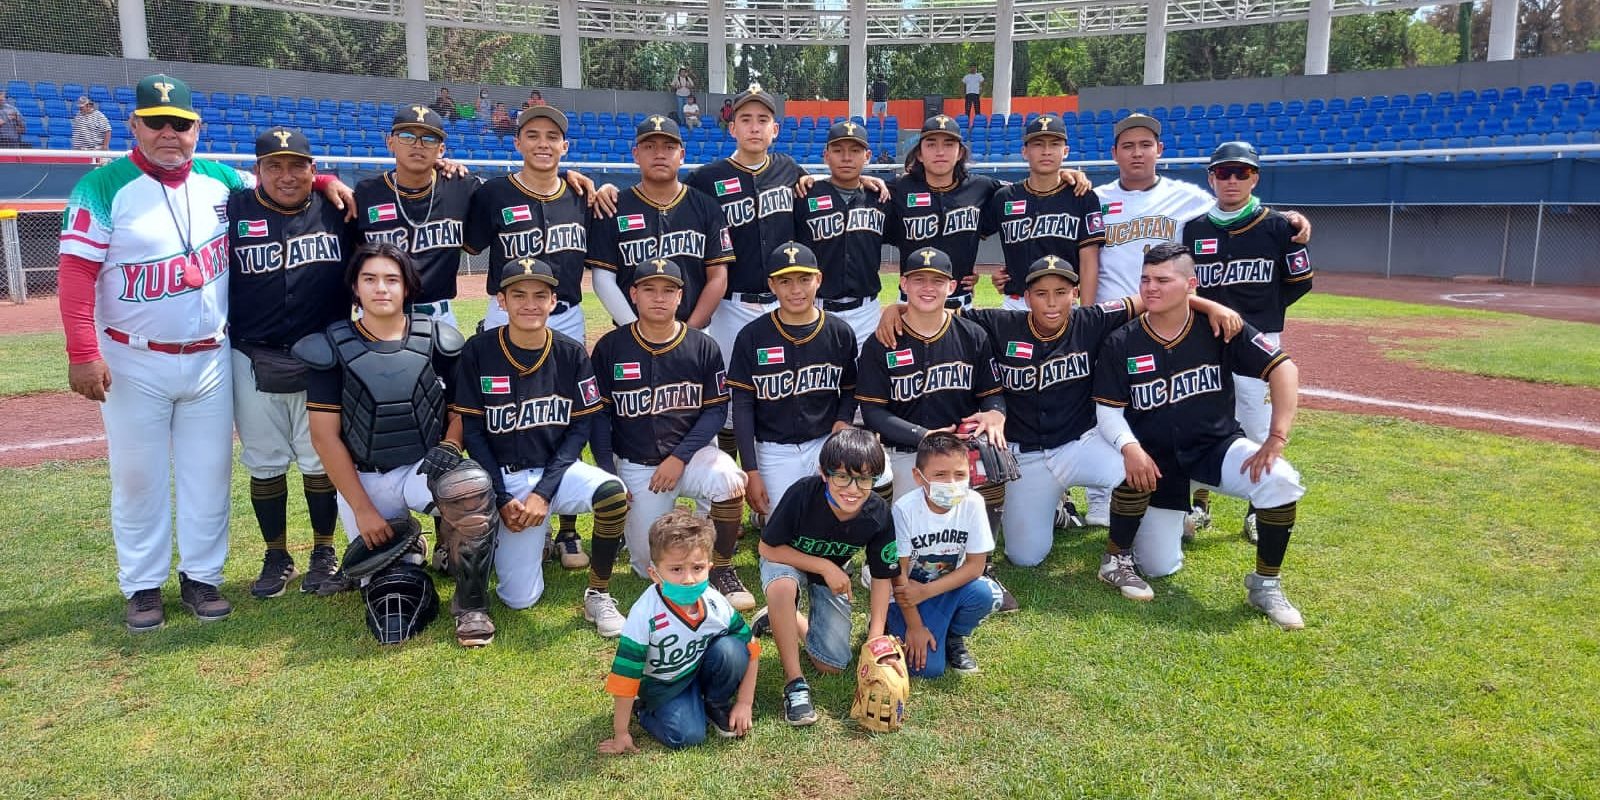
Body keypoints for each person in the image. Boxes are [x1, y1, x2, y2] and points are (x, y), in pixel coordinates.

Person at [893, 255, 1239, 578]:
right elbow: (938, 314)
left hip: (1081, 443)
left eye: (1061, 292)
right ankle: (1054, 512)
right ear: (1026, 297)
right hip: (1026, 454)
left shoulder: (1093, 319)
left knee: (1133, 470)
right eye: (1041, 294)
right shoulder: (999, 323)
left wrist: (1207, 304)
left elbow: (1151, 300)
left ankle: (1117, 556)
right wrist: (894, 310)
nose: (1052, 302)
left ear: (1075, 294)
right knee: (1025, 556)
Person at [57, 73, 241, 632]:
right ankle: (141, 585)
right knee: (137, 478)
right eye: (155, 122)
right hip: (134, 358)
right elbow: (74, 275)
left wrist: (327, 178)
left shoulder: (223, 179)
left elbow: (288, 192)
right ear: (134, 125)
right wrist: (83, 351)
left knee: (209, 473)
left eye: (180, 124)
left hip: (211, 356)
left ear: (196, 129)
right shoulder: (104, 187)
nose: (169, 133)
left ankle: (202, 577)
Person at [1079, 112, 1310, 529]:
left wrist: (1289, 220)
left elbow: (1236, 208)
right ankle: (1105, 497)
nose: (1137, 152)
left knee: (1192, 408)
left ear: (1158, 151)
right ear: (1114, 153)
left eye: (1145, 144)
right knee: (1114, 411)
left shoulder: (1188, 198)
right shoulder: (1093, 198)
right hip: (1114, 322)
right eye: (1127, 145)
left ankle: (1236, 502)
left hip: (1171, 321)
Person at [1092, 243, 1308, 629]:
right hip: (1157, 461)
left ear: (1191, 284)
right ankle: (1160, 526)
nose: (1151, 287)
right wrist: (1133, 449)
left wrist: (1276, 438)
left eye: (1163, 279)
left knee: (1281, 480)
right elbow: (1108, 410)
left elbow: (1283, 368)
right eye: (1145, 279)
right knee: (1159, 567)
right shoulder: (1122, 341)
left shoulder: (1219, 328)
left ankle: (1265, 584)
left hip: (1215, 447)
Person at [294, 243, 490, 644]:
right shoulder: (330, 347)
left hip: (424, 469)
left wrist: (451, 445)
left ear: (407, 288)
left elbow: (459, 411)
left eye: (391, 279)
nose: (380, 288)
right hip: (367, 478)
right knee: (385, 581)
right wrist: (363, 510)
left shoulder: (438, 338)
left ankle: (470, 606)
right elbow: (324, 436)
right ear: (355, 288)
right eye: (369, 279)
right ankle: (411, 545)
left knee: (469, 489)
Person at [450, 257, 632, 637]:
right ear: (501, 300)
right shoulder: (479, 351)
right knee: (520, 599)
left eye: (540, 295)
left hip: (555, 474)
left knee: (612, 494)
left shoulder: (570, 353)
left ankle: (598, 594)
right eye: (518, 295)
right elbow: (474, 431)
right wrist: (500, 497)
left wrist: (544, 494)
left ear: (554, 301)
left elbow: (579, 426)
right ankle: (510, 534)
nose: (529, 304)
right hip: (504, 480)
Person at [464, 104, 600, 563]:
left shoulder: (583, 195)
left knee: (562, 413)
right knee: (507, 413)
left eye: (552, 136)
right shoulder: (495, 194)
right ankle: (505, 503)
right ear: (517, 142)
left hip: (566, 315)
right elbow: (467, 242)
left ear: (566, 146)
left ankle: (566, 526)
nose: (543, 143)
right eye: (533, 135)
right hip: (507, 313)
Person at [227, 127, 357, 598]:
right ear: (257, 170)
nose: (286, 175)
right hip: (251, 353)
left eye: (298, 165)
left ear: (313, 169)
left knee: (318, 457)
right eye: (274, 166)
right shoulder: (234, 209)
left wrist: (329, 185)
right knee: (264, 461)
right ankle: (276, 553)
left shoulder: (338, 210)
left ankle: (324, 551)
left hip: (322, 356)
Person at [853, 247, 1018, 611]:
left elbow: (992, 396)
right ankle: (880, 557)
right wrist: (922, 435)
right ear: (904, 284)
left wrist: (995, 415)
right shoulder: (882, 341)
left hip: (957, 452)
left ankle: (982, 564)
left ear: (953, 286)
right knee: (906, 544)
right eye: (920, 280)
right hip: (906, 452)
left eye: (938, 281)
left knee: (992, 452)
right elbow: (874, 413)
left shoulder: (971, 334)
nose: (928, 288)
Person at [588, 258, 753, 609]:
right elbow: (599, 414)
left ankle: (722, 567)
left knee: (728, 477)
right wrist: (606, 468)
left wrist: (679, 458)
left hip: (691, 455)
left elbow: (714, 410)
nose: (659, 298)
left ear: (681, 296)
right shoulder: (611, 347)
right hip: (638, 465)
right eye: (649, 289)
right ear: (633, 294)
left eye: (668, 290)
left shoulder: (702, 345)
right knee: (644, 564)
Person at [1184, 141, 1314, 543]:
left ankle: (1258, 510)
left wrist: (1257, 321)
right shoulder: (1195, 228)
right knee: (1200, 422)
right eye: (1224, 173)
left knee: (1256, 428)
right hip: (1204, 342)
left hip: (1257, 343)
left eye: (1242, 172)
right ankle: (1199, 505)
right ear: (1211, 178)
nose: (1233, 180)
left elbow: (1298, 285)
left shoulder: (1280, 227)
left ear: (1255, 176)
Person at [753, 426, 916, 725]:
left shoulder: (878, 513)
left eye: (864, 479)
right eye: (842, 476)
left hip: (828, 574)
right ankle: (794, 684)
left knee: (833, 664)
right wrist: (826, 567)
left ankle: (782, 618)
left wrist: (875, 638)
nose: (852, 489)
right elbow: (767, 548)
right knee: (782, 589)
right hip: (786, 560)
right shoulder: (803, 493)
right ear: (824, 473)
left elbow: (882, 576)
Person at [887, 115, 1087, 312]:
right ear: (919, 154)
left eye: (949, 144)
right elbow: (862, 195)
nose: (940, 152)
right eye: (931, 144)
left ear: (960, 153)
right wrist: (869, 181)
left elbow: (1028, 190)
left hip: (961, 304)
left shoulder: (981, 187)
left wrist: (1061, 174)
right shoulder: (898, 189)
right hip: (909, 303)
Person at [598, 509, 759, 753]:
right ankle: (643, 710)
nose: (689, 579)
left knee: (732, 649)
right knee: (688, 735)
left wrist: (745, 703)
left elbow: (752, 648)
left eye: (697, 568)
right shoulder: (644, 615)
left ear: (710, 567)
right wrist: (621, 733)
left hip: (699, 667)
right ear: (655, 574)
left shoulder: (715, 602)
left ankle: (715, 703)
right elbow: (625, 678)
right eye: (676, 569)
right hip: (662, 685)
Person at [726, 242, 859, 524]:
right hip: (774, 448)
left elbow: (849, 388)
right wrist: (751, 471)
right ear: (772, 285)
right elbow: (742, 407)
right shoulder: (752, 336)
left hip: (824, 442)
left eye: (804, 279)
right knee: (784, 527)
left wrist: (844, 419)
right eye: (785, 281)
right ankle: (767, 516)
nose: (796, 290)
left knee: (837, 514)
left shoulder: (839, 332)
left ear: (818, 279)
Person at [587, 114, 730, 329]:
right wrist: (634, 331)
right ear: (636, 154)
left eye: (669, 147)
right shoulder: (613, 207)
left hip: (694, 332)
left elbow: (718, 277)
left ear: (681, 155)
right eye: (649, 147)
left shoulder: (707, 207)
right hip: (631, 332)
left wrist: (690, 334)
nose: (660, 154)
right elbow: (603, 279)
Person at [888, 431, 1002, 677]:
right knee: (927, 670)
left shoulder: (973, 503)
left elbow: (975, 566)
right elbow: (899, 576)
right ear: (918, 477)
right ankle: (893, 626)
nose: (951, 483)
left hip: (940, 590)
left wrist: (926, 592)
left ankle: (954, 637)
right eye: (940, 475)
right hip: (904, 596)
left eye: (959, 474)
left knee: (988, 593)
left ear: (969, 473)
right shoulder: (904, 510)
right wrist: (915, 626)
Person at [352, 105, 478, 327]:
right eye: (407, 136)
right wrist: (325, 181)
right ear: (390, 142)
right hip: (380, 314)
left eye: (428, 139)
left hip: (439, 316)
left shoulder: (461, 186)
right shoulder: (366, 193)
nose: (418, 145)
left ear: (441, 150)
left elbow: (510, 193)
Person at [984, 115, 1104, 312]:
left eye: (1054, 144)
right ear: (1025, 152)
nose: (1046, 151)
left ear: (1065, 152)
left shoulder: (1081, 195)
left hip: (1064, 303)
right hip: (1016, 303)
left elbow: (1089, 260)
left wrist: (1087, 314)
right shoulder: (1005, 197)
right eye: (1038, 144)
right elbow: (968, 234)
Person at [792, 122, 890, 347]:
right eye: (838, 151)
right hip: (817, 307)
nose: (846, 157)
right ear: (826, 156)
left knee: (866, 379)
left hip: (866, 312)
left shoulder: (880, 198)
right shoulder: (804, 196)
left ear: (867, 156)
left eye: (855, 151)